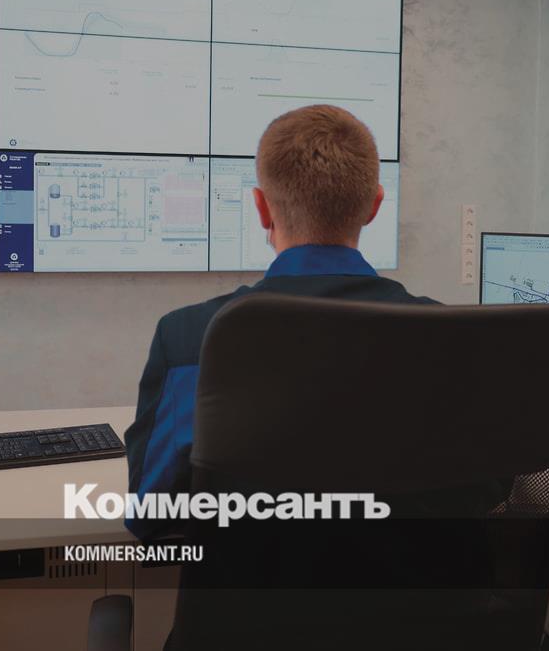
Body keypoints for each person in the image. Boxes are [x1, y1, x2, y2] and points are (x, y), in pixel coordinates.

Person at [125, 105, 434, 542]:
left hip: (247, 587)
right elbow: (486, 488)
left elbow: (151, 514)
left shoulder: (190, 337)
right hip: (420, 586)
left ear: (261, 209)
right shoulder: (446, 337)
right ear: (374, 206)